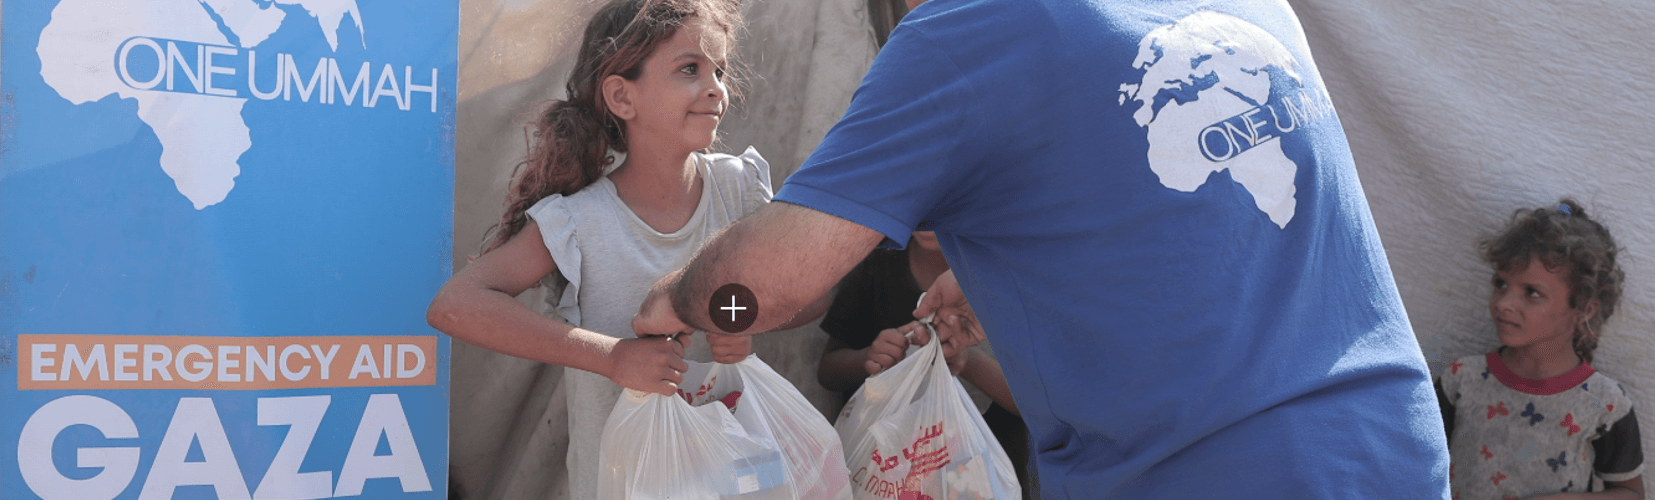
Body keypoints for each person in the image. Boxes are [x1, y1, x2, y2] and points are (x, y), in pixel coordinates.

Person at [633, 0, 1450, 497]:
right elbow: (1198, 219)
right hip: (1392, 448)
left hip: (1206, 474)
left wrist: (688, 303)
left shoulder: (966, 34)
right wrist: (986, 272)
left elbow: (769, 290)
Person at [424, 1, 772, 497]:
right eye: (689, 69)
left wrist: (749, 318)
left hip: (734, 478)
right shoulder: (580, 222)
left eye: (719, 69)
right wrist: (612, 358)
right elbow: (456, 305)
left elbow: (810, 293)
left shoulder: (740, 189)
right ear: (621, 97)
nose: (715, 87)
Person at [1436, 199, 1642, 499]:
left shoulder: (1606, 405)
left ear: (1584, 308)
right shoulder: (1460, 381)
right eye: (1501, 284)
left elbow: (1630, 493)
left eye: (1531, 292)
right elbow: (1412, 463)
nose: (1504, 303)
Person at [815, 230, 1034, 496]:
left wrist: (964, 362)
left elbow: (1036, 404)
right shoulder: (877, 267)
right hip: (890, 477)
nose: (928, 215)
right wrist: (870, 359)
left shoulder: (1011, 274)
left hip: (985, 478)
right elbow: (828, 371)